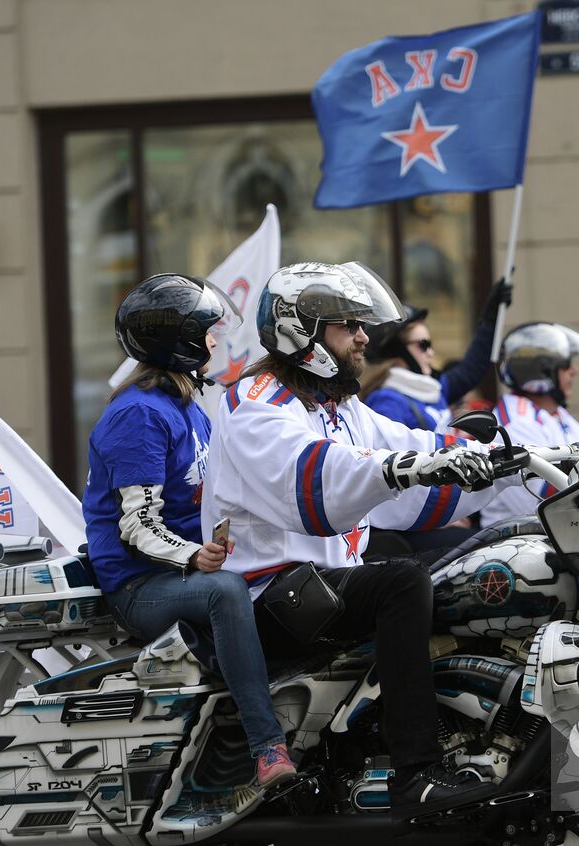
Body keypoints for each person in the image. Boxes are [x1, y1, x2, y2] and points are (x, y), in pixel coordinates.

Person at [202, 261, 514, 812]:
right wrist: (396, 468)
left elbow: (417, 448)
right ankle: (414, 772)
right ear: (303, 331)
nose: (365, 336)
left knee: (483, 563)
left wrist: (510, 461)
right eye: (349, 325)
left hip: (321, 587)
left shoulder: (340, 407)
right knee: (402, 583)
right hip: (268, 597)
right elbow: (314, 481)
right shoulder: (256, 401)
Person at [83, 274, 295, 789]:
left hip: (179, 570)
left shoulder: (186, 407)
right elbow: (137, 524)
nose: (217, 342)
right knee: (225, 590)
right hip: (139, 585)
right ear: (179, 343)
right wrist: (196, 556)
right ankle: (267, 746)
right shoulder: (137, 415)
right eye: (208, 333)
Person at [478, 321, 579, 527]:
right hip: (517, 540)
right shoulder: (514, 424)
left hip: (559, 533)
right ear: (541, 372)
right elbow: (541, 502)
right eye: (566, 365)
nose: (574, 371)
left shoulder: (555, 414)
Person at [360, 279, 512, 431]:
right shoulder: (386, 402)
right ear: (397, 351)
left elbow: (471, 370)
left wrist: (491, 319)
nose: (431, 353)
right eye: (423, 345)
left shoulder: (431, 389)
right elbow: (390, 452)